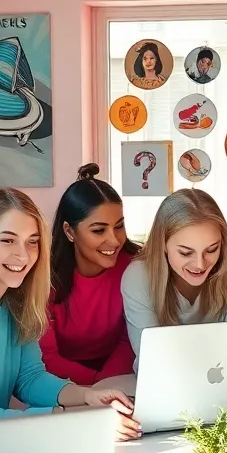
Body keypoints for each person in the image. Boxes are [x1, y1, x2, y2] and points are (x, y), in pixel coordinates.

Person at [0, 188, 140, 440]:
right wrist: (81, 420)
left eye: (32, 241)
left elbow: (30, 378)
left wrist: (88, 396)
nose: (23, 254)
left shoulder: (16, 302)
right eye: (8, 240)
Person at [120, 188, 227, 363]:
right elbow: (152, 360)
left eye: (212, 249)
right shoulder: (138, 276)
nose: (200, 265)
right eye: (186, 253)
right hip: (166, 383)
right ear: (163, 244)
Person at [41, 163, 139, 386]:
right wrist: (93, 388)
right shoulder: (43, 278)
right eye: (98, 230)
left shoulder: (134, 268)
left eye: (119, 226)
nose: (114, 240)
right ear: (69, 231)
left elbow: (129, 340)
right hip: (60, 384)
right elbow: (47, 357)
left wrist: (105, 385)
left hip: (120, 379)